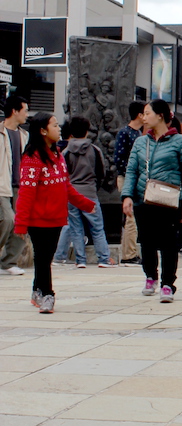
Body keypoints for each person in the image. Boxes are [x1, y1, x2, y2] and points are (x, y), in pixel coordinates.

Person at [13, 113, 96, 313]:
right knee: (43, 258)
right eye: (55, 125)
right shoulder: (32, 158)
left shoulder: (58, 155)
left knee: (45, 258)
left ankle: (37, 291)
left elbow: (66, 187)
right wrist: (21, 223)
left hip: (56, 218)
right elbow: (26, 193)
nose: (59, 129)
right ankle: (48, 295)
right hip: (38, 220)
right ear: (43, 131)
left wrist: (85, 204)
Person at [121, 100, 182, 301]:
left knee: (169, 243)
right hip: (143, 199)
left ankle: (167, 284)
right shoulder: (140, 142)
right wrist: (127, 196)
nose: (144, 117)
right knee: (146, 241)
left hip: (169, 201)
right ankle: (150, 277)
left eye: (147, 113)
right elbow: (131, 171)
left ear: (160, 115)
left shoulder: (180, 142)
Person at [53, 116, 113, 269]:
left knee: (76, 228)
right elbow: (101, 173)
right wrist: (94, 187)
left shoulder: (66, 152)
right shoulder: (95, 150)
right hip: (90, 193)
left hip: (72, 195)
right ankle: (104, 258)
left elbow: (62, 175)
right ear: (87, 131)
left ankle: (80, 260)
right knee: (97, 228)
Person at [0, 95, 29, 276]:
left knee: (21, 223)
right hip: (2, 185)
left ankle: (9, 262)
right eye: (25, 110)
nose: (27, 114)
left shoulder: (24, 135)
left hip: (21, 186)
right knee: (8, 219)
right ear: (15, 111)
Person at [115, 101, 146, 264]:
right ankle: (129, 254)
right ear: (139, 115)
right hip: (127, 178)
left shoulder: (138, 133)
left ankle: (130, 252)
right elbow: (119, 159)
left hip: (135, 178)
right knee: (131, 217)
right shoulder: (125, 133)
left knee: (132, 217)